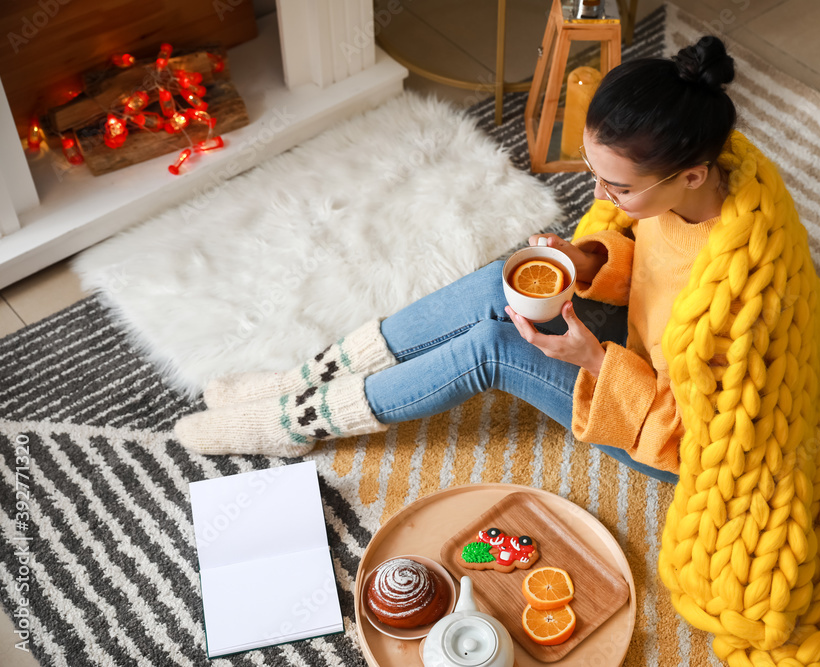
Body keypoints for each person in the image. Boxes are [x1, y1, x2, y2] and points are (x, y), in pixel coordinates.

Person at [174, 35, 739, 485]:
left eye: (617, 188)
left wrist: (593, 360)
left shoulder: (740, 291)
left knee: (492, 348)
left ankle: (299, 422)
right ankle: (306, 379)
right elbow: (651, 271)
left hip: (663, 438)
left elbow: (688, 436)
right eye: (594, 175)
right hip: (639, 352)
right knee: (505, 278)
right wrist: (587, 260)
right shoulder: (682, 194)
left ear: (690, 175)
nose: (598, 200)